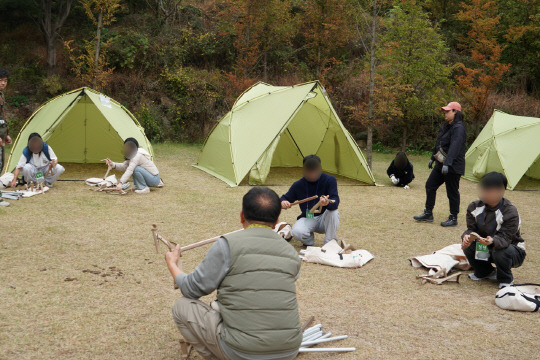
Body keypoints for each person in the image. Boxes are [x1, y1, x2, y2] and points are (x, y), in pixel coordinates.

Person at [165, 187, 302, 360]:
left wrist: (172, 264)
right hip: (288, 351)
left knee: (181, 307)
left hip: (241, 351)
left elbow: (191, 289)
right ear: (276, 222)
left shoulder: (227, 245)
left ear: (241, 216)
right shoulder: (291, 253)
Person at [461, 172, 526, 289]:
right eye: (483, 189)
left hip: (512, 250)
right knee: (468, 246)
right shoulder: (474, 207)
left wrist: (492, 241)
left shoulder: (510, 212)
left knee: (500, 250)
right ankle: (485, 272)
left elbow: (506, 238)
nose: (484, 193)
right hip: (486, 245)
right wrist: (466, 236)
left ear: (501, 191)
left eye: (488, 190)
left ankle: (506, 279)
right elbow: (471, 229)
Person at [414, 101, 466, 227]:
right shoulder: (446, 126)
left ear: (455, 112)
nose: (445, 113)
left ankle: (453, 218)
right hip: (441, 164)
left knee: (452, 192)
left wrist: (448, 163)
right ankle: (428, 213)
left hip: (453, 166)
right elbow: (440, 143)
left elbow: (455, 146)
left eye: (448, 111)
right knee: (430, 185)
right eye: (445, 111)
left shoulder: (459, 127)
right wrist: (433, 157)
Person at [280, 155, 340, 246]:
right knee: (297, 232)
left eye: (315, 171)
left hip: (324, 218)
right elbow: (285, 198)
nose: (312, 174)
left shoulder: (330, 180)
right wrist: (283, 202)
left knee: (333, 212)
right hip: (309, 217)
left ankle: (329, 243)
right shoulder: (298, 185)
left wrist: (327, 202)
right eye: (309, 171)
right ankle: (308, 241)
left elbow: (335, 201)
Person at [0, 68, 12, 207]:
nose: (3, 83)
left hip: (1, 136)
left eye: (5, 81)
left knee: (1, 165)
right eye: (0, 81)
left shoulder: (1, 95)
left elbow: (2, 118)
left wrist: (6, 134)